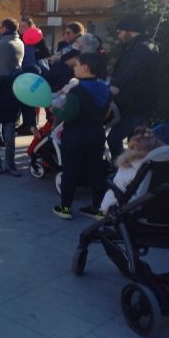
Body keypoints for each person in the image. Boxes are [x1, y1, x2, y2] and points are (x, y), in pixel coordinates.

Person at [52, 52, 111, 220]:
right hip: (97, 133)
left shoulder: (77, 90)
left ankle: (65, 208)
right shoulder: (105, 88)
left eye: (76, 65)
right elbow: (106, 113)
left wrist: (55, 109)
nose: (74, 68)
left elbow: (68, 115)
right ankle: (98, 208)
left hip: (75, 135)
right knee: (96, 171)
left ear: (86, 68)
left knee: (70, 170)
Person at [107, 15, 160, 162]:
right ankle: (130, 169)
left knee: (116, 138)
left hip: (137, 104)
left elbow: (134, 70)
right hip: (131, 102)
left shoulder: (143, 48)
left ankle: (123, 168)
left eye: (120, 31)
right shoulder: (135, 46)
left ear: (129, 30)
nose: (119, 35)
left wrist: (116, 84)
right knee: (135, 142)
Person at [100, 127, 164, 214]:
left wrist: (105, 207)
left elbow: (118, 188)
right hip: (160, 207)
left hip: (132, 208)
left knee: (112, 184)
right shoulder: (162, 162)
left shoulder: (129, 166)